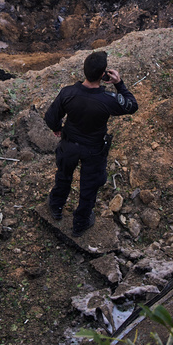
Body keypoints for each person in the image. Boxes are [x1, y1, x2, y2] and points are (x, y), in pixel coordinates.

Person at [45, 51, 138, 237]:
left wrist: (57, 127)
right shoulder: (108, 100)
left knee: (63, 176)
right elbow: (132, 105)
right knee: (89, 187)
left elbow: (50, 117)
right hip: (94, 150)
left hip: (69, 145)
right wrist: (119, 83)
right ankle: (80, 223)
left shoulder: (68, 93)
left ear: (84, 70)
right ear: (104, 74)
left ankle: (56, 207)